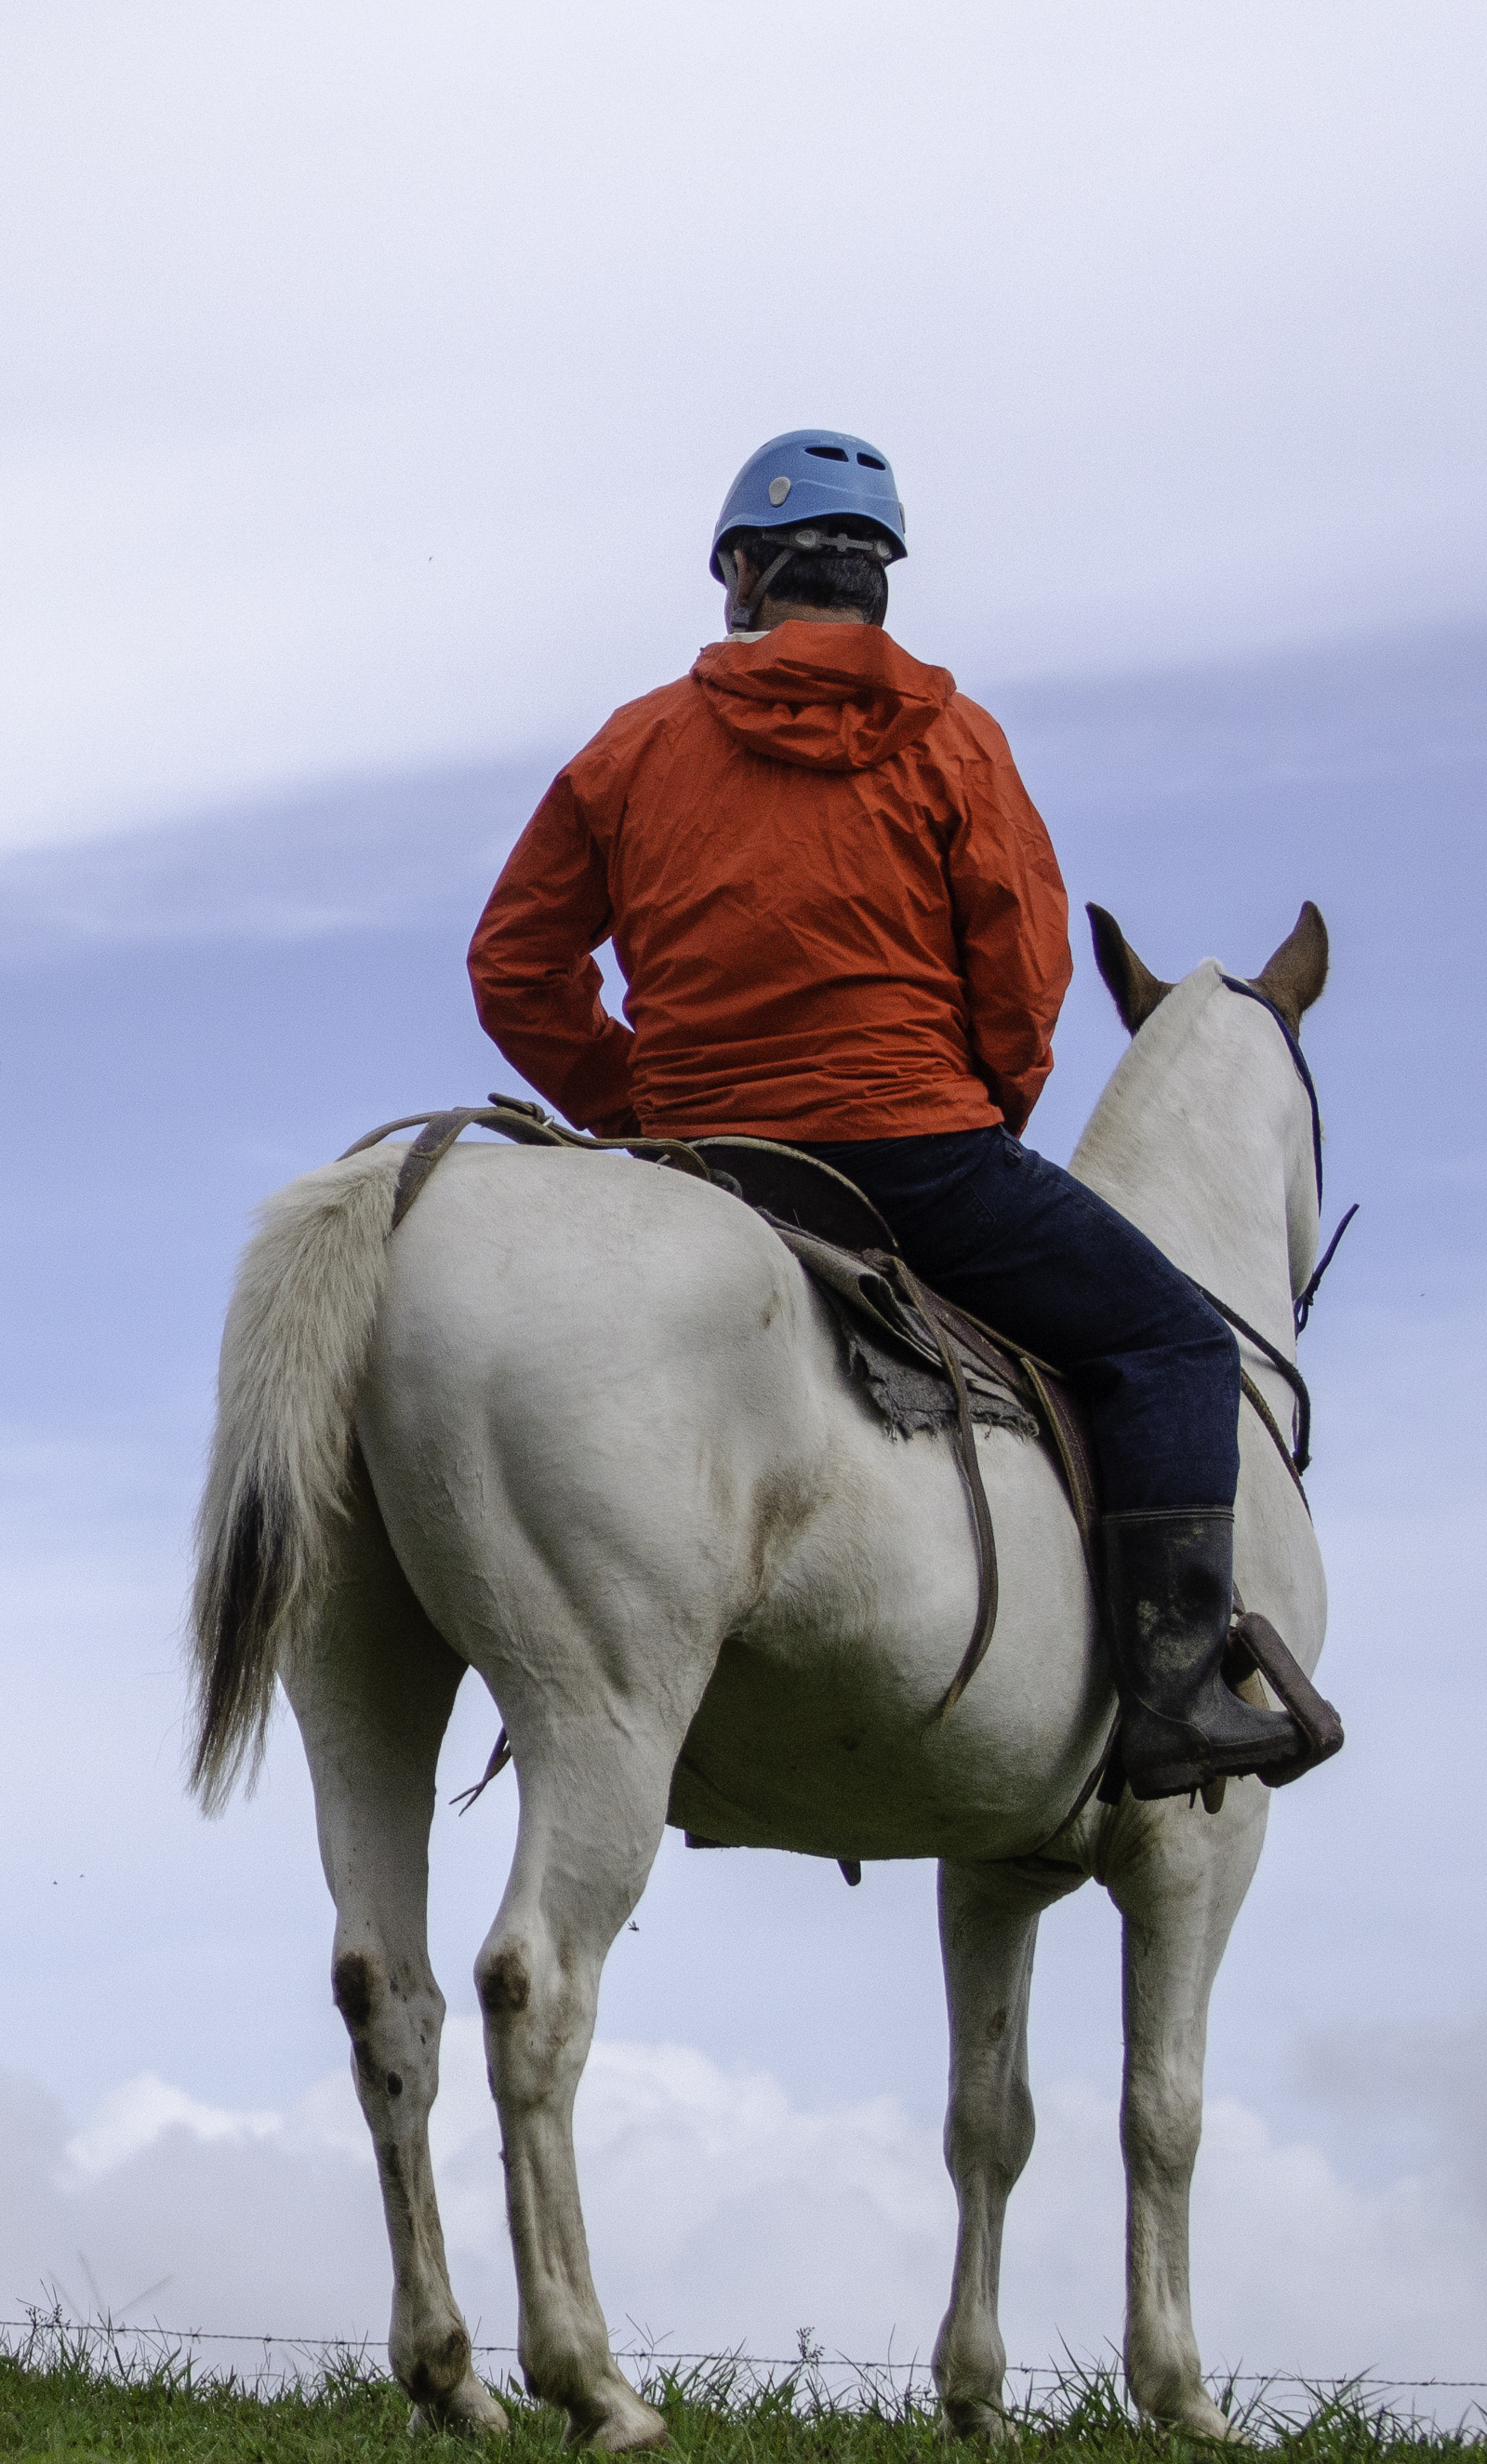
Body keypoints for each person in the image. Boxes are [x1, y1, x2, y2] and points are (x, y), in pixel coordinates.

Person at [465, 433, 1309, 1801]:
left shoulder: (632, 748)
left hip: (703, 1163)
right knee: (1171, 1342)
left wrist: (640, 1108)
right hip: (915, 1157)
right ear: (879, 582)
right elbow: (1022, 976)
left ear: (744, 574)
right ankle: (1173, 1700)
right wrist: (981, 1117)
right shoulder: (955, 740)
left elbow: (514, 965)